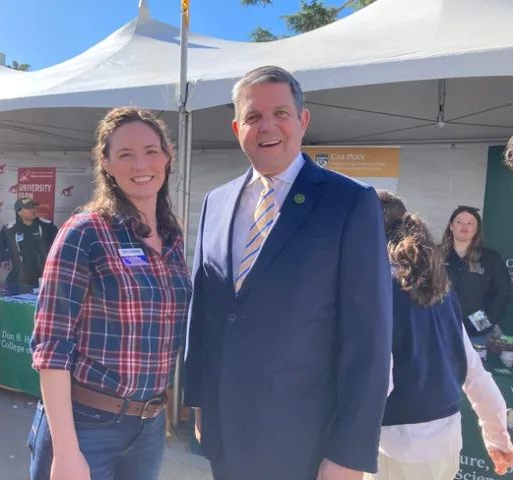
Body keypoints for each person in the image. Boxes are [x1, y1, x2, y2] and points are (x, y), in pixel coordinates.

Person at [183, 65, 393, 480]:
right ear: (237, 128)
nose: (267, 127)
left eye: (280, 113)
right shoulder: (216, 202)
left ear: (303, 120)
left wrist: (349, 453)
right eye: (253, 116)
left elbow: (369, 336)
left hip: (306, 442)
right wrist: (201, 403)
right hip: (227, 433)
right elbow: (204, 312)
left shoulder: (349, 202)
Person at [28, 107, 193, 480]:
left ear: (167, 156)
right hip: (87, 424)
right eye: (125, 154)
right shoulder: (85, 232)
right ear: (105, 163)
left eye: (151, 151)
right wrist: (66, 451)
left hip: (149, 425)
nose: (141, 164)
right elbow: (51, 346)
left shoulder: (172, 239)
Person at [373, 190, 513, 479]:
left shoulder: (379, 291)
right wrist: (498, 436)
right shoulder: (443, 292)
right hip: (445, 445)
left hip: (395, 447)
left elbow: (376, 383)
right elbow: (475, 373)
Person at [441, 206, 511, 343]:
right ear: (451, 226)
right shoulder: (435, 255)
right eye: (459, 222)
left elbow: (503, 293)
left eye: (470, 223)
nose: (464, 227)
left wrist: (484, 324)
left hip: (476, 333)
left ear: (477, 228)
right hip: (440, 327)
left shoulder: (490, 258)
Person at [0, 197, 58, 287]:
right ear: (19, 212)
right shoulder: (10, 229)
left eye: (34, 207)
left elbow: (59, 247)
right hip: (19, 278)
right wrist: (10, 257)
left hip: (42, 278)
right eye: (28, 208)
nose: (33, 210)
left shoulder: (47, 226)